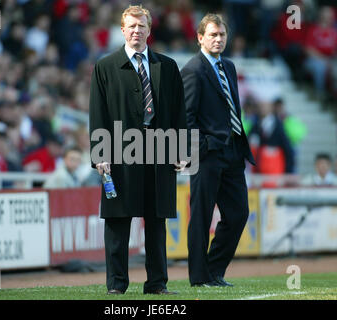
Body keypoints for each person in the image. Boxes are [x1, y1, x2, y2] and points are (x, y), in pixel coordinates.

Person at [89, 5, 187, 295]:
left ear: (149, 30)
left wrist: (182, 150)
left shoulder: (167, 67)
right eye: (131, 26)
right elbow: (98, 114)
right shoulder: (105, 67)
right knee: (118, 223)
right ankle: (116, 286)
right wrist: (99, 154)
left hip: (160, 152)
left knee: (157, 223)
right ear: (122, 30)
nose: (136, 31)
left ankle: (157, 285)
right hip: (120, 152)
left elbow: (180, 112)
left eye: (141, 26)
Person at [181, 13, 255, 287]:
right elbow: (185, 118)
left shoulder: (230, 67)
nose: (218, 39)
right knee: (201, 216)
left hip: (233, 152)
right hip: (206, 154)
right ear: (200, 37)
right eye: (213, 34)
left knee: (238, 214)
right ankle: (200, 278)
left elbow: (231, 108)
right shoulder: (192, 69)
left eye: (222, 34)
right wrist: (198, 149)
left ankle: (213, 270)